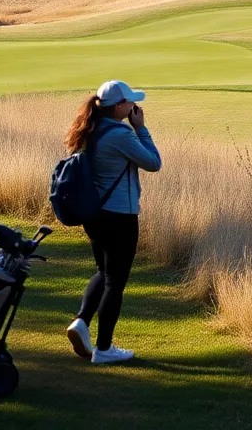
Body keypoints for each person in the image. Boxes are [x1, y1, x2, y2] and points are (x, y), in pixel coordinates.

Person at [63, 80, 162, 365]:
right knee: (115, 282)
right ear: (118, 107)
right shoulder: (120, 134)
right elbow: (154, 162)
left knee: (103, 271)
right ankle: (104, 349)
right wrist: (141, 128)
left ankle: (81, 322)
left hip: (94, 215)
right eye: (129, 102)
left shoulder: (90, 130)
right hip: (119, 217)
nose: (134, 106)